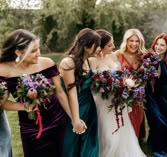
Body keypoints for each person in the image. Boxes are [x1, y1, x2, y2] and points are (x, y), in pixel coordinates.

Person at [0, 29, 71, 157]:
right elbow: (3, 103)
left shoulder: (47, 63)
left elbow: (60, 92)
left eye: (38, 49)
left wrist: (73, 118)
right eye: (33, 51)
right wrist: (24, 107)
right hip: (30, 127)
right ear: (18, 52)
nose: (38, 53)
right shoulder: (4, 70)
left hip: (56, 121)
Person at [90, 29, 146, 157]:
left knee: (122, 131)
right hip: (103, 102)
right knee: (107, 134)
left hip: (118, 100)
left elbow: (121, 75)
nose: (113, 47)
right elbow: (91, 84)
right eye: (110, 45)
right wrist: (108, 85)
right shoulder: (93, 61)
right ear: (100, 46)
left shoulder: (113, 56)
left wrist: (125, 84)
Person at [59, 28, 101, 157]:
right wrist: (75, 120)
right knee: (73, 144)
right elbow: (71, 93)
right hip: (73, 109)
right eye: (97, 45)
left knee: (90, 144)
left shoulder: (87, 60)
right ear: (87, 47)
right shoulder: (68, 63)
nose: (99, 48)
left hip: (89, 108)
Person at [144, 33, 167, 157]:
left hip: (164, 96)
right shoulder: (148, 58)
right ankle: (157, 149)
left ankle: (153, 142)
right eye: (157, 44)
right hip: (150, 95)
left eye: (162, 45)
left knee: (165, 122)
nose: (159, 47)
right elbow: (142, 76)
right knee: (156, 122)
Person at [115, 28, 147, 140]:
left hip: (137, 94)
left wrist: (139, 87)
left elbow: (145, 76)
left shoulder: (143, 56)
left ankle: (135, 140)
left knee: (136, 116)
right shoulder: (119, 54)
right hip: (122, 93)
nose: (134, 44)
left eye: (137, 41)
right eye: (131, 41)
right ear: (126, 41)